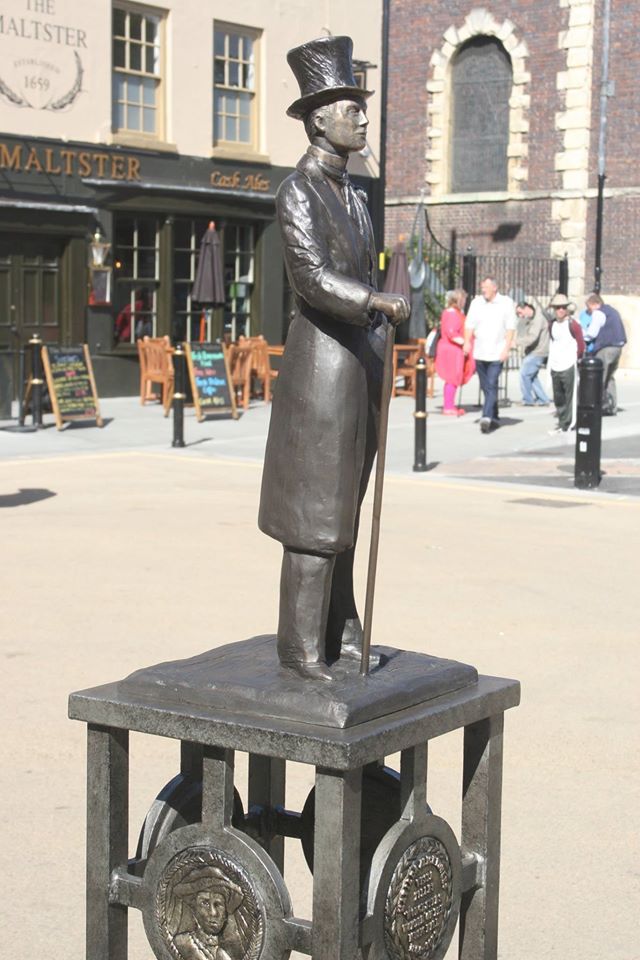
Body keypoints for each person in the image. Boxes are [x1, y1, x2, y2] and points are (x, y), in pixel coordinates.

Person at [258, 36, 409, 682]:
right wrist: (374, 297)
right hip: (320, 373)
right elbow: (312, 278)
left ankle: (341, 632)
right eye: (354, 108)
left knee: (345, 508)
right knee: (316, 516)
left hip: (359, 369)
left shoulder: (356, 193)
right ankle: (299, 645)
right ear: (321, 117)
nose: (365, 118)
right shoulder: (298, 192)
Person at [463, 276, 516, 433]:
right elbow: (469, 324)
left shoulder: (505, 303)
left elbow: (510, 327)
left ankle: (486, 416)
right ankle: (495, 415)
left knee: (492, 383)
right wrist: (466, 342)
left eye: (486, 287)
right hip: (480, 351)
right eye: (482, 288)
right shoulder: (476, 303)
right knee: (486, 387)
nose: (483, 290)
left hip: (497, 352)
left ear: (494, 287)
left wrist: (506, 348)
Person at [171, 867, 243, 960]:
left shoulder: (227, 953)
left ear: (225, 915)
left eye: (218, 904)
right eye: (205, 903)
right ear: (195, 910)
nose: (213, 913)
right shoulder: (181, 943)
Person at [583, 292, 627, 414]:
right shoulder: (612, 311)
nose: (589, 312)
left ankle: (602, 405)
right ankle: (612, 407)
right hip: (618, 347)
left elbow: (592, 333)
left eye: (589, 308)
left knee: (599, 377)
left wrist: (582, 337)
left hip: (606, 347)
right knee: (610, 377)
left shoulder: (599, 313)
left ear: (596, 304)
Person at [547, 292, 585, 433]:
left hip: (569, 364)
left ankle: (570, 423)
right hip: (556, 365)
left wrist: (575, 358)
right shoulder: (552, 325)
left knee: (570, 396)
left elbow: (581, 345)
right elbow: (553, 342)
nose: (560, 310)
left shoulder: (573, 325)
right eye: (557, 307)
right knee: (559, 397)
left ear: (567, 308)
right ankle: (563, 421)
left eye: (563, 307)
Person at [435, 288, 475, 415]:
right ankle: (448, 407)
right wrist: (465, 343)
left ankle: (449, 405)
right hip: (452, 350)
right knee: (452, 378)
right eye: (463, 298)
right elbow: (451, 332)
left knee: (452, 379)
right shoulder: (452, 313)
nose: (464, 301)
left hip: (452, 349)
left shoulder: (454, 312)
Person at [516, 300, 550, 406]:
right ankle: (543, 399)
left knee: (524, 374)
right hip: (535, 351)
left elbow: (532, 337)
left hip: (538, 352)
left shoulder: (538, 318)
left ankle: (528, 399)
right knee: (532, 376)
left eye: (520, 312)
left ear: (526, 308)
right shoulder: (531, 319)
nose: (520, 316)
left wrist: (516, 342)